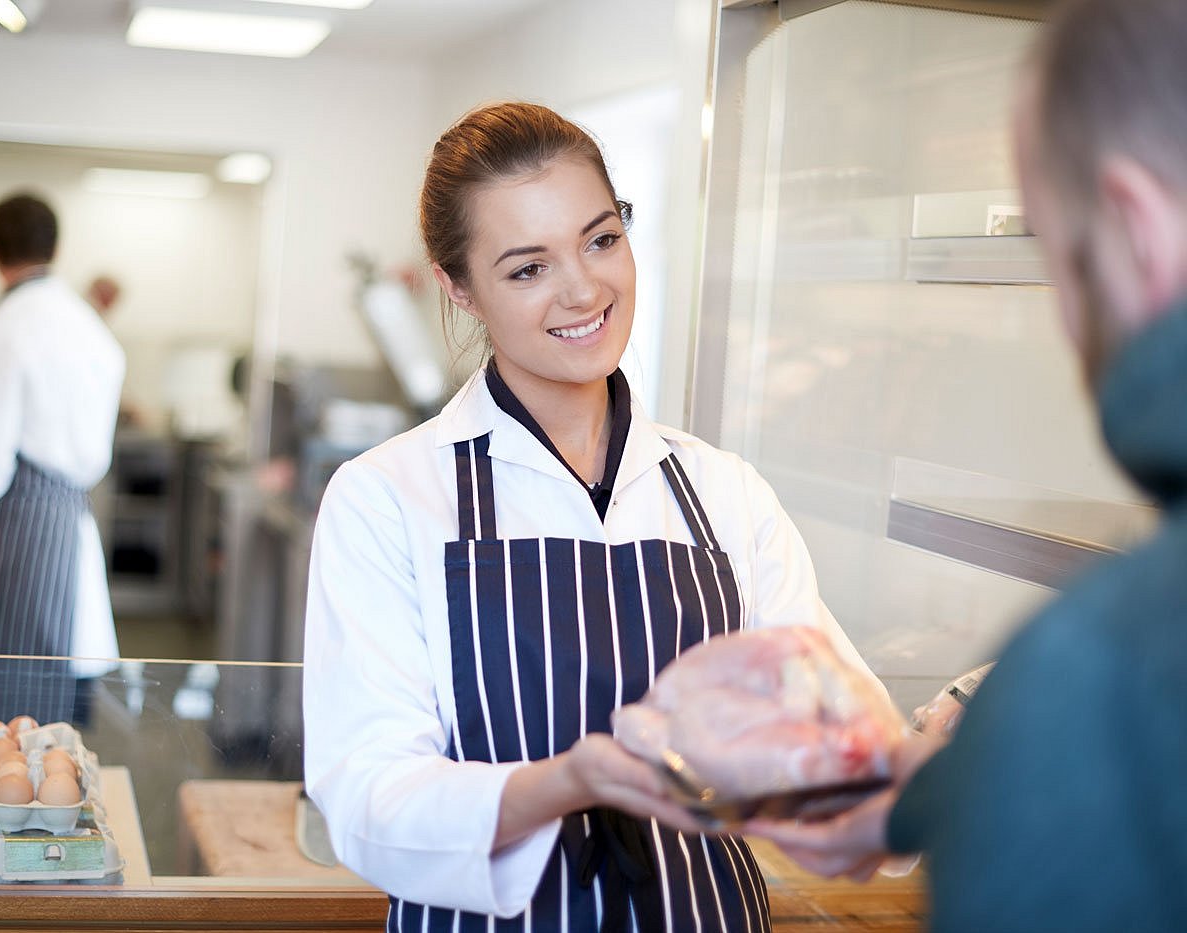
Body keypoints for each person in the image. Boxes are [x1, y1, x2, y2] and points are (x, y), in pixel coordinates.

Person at [302, 102, 883, 931]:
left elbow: (836, 751)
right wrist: (568, 782)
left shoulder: (723, 491)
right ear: (458, 286)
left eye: (601, 239)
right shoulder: (388, 497)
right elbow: (367, 797)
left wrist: (916, 754)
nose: (583, 289)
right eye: (526, 268)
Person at [740, 1, 1187, 930]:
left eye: (1064, 259)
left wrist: (1010, 754)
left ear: (1135, 226)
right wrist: (948, 787)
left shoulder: (1091, 675)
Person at [0, 193, 124, 726]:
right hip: (65, 514)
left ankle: (4, 798)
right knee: (47, 683)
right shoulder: (87, 323)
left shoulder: (6, 325)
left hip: (20, 520)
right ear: (55, 248)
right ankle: (43, 799)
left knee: (8, 690)